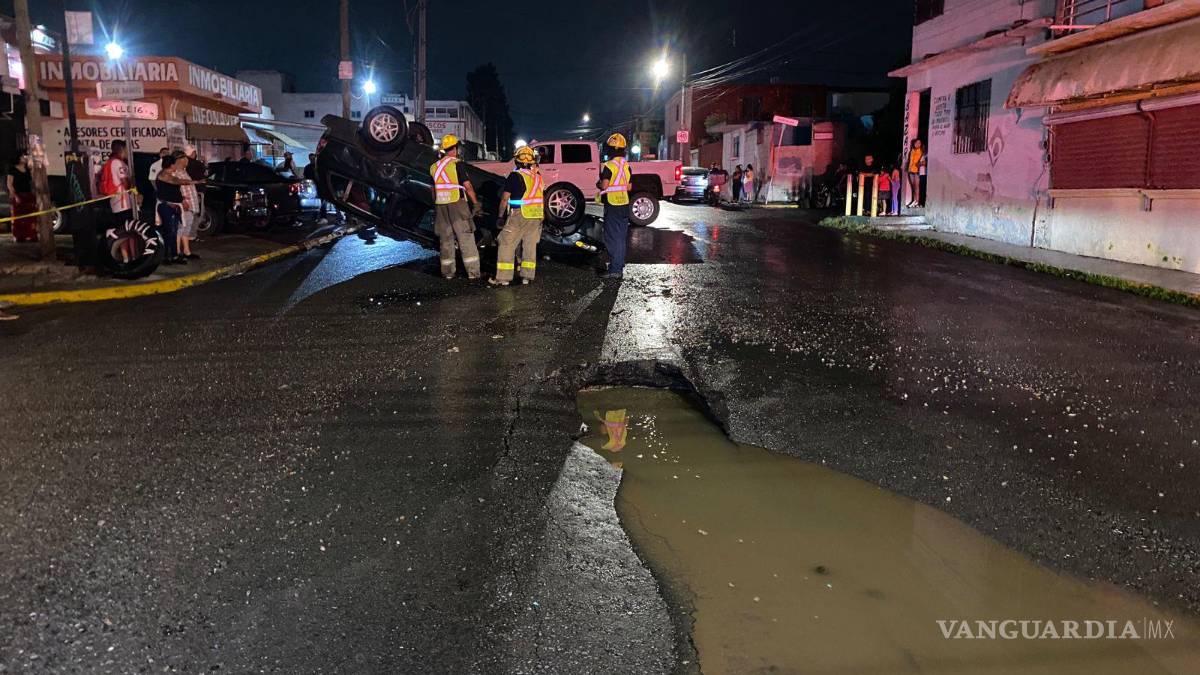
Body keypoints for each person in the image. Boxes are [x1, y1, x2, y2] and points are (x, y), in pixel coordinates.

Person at [429, 133, 482, 279]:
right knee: (465, 237)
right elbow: (468, 186)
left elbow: (433, 188)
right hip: (457, 204)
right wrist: (476, 203)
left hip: (441, 205)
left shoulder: (434, 167)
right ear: (455, 148)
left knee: (446, 239)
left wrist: (436, 203)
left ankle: (448, 273)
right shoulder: (457, 164)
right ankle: (473, 273)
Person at [490, 146, 544, 286]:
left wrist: (500, 216)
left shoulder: (515, 176)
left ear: (517, 161)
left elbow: (504, 198)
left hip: (519, 214)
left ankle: (503, 278)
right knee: (529, 245)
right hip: (536, 215)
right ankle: (527, 277)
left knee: (506, 243)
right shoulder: (538, 177)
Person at [597, 133, 632, 280]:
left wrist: (598, 184)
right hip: (624, 203)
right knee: (621, 236)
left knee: (611, 237)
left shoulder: (609, 166)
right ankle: (618, 263)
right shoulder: (626, 165)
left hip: (612, 204)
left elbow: (604, 185)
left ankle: (615, 269)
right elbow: (629, 187)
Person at [154, 153, 196, 265]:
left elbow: (174, 188)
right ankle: (167, 257)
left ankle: (173, 255)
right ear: (171, 165)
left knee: (173, 231)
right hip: (167, 206)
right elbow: (176, 181)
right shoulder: (164, 175)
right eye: (174, 164)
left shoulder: (167, 174)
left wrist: (181, 198)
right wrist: (194, 182)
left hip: (173, 206)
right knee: (169, 232)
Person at [100, 140, 137, 263]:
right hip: (123, 203)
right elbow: (126, 184)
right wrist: (132, 182)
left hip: (116, 202)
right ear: (121, 150)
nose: (128, 152)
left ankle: (126, 256)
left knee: (123, 230)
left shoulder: (110, 162)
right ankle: (128, 257)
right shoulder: (118, 163)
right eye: (126, 150)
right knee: (126, 231)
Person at [172, 151, 201, 260]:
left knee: (186, 228)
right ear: (180, 160)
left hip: (190, 205)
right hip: (184, 205)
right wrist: (182, 200)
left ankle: (186, 251)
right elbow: (175, 190)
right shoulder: (175, 172)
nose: (188, 160)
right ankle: (177, 252)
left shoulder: (183, 171)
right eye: (186, 159)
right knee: (180, 228)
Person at [7, 152, 36, 242]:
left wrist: (31, 168)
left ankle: (30, 235)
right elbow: (9, 184)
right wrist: (14, 195)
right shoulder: (12, 169)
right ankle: (19, 236)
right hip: (18, 195)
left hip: (28, 194)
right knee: (18, 217)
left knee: (30, 217)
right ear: (19, 158)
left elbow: (32, 179)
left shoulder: (27, 169)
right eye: (24, 156)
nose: (25, 157)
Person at [303, 153, 330, 224]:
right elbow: (305, 177)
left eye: (313, 159)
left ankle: (323, 217)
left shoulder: (320, 167)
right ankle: (315, 217)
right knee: (315, 203)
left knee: (322, 202)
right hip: (312, 187)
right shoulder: (308, 167)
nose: (312, 160)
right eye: (311, 159)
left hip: (321, 187)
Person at [906, 139, 924, 208]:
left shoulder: (922, 151)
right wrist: (909, 168)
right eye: (916, 143)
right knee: (913, 187)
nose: (917, 144)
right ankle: (914, 200)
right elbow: (910, 161)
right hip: (911, 170)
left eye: (919, 143)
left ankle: (917, 201)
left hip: (917, 171)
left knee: (917, 187)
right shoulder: (912, 151)